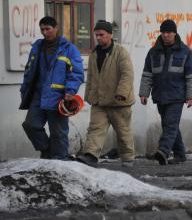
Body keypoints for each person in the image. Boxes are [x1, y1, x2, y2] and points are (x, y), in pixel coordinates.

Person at [19, 16, 84, 160]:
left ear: (56, 28)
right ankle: (47, 150)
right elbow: (29, 71)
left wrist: (70, 91)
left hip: (58, 97)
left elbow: (77, 72)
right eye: (42, 29)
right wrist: (25, 91)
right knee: (30, 125)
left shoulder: (68, 49)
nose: (44, 32)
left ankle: (61, 162)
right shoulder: (37, 48)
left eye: (47, 29)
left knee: (58, 133)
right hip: (39, 95)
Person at [76, 20, 136, 167]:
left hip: (119, 102)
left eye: (101, 34)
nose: (98, 38)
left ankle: (128, 158)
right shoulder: (94, 54)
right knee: (95, 128)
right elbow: (90, 76)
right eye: (96, 35)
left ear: (110, 35)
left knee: (123, 132)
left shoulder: (121, 53)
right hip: (99, 101)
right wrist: (89, 95)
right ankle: (90, 155)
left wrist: (121, 93)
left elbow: (127, 74)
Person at [139, 19, 192, 165]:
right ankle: (180, 154)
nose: (166, 35)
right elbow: (147, 74)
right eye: (164, 32)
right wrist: (144, 93)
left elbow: (191, 76)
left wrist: (191, 96)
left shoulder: (185, 52)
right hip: (160, 95)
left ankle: (163, 151)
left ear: (174, 33)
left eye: (169, 32)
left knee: (170, 124)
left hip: (177, 96)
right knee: (169, 125)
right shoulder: (153, 52)